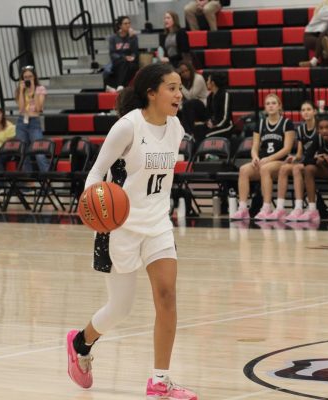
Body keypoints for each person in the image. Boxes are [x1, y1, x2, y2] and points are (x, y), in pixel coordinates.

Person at [65, 63, 197, 400]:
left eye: (180, 87)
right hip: (119, 228)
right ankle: (81, 341)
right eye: (171, 87)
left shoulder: (176, 128)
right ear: (151, 92)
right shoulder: (127, 127)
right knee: (120, 309)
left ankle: (160, 381)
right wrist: (95, 207)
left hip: (157, 225)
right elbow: (95, 175)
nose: (179, 94)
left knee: (167, 296)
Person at [229, 94, 295, 220]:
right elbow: (255, 146)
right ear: (265, 107)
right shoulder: (260, 124)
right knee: (243, 170)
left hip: (281, 162)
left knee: (265, 169)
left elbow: (287, 148)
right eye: (268, 103)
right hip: (264, 161)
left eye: (273, 103)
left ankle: (267, 207)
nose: (271, 106)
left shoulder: (287, 123)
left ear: (279, 106)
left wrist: (269, 159)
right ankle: (243, 208)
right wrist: (255, 157)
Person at [277, 101, 318, 221]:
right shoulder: (300, 129)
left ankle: (299, 206)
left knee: (296, 168)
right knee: (284, 168)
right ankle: (280, 208)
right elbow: (300, 154)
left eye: (308, 109)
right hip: (305, 161)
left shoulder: (321, 126)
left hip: (318, 162)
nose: (306, 112)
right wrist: (293, 158)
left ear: (314, 111)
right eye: (303, 110)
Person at [14, 66, 50, 172]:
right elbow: (21, 109)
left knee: (39, 152)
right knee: (23, 153)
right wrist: (21, 91)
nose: (28, 79)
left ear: (34, 77)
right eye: (25, 77)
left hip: (34, 122)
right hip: (22, 122)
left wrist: (33, 90)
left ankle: (47, 179)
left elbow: (38, 109)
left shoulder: (40, 89)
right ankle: (29, 184)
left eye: (30, 76)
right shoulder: (20, 90)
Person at [104, 16, 139, 92]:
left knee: (130, 65)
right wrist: (123, 57)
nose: (128, 25)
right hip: (118, 61)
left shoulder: (133, 37)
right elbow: (112, 53)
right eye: (125, 23)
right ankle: (120, 86)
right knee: (110, 68)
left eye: (129, 23)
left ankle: (117, 86)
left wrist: (131, 38)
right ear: (120, 25)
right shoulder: (113, 38)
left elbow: (135, 51)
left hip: (130, 62)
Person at [177, 61, 208, 135]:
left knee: (188, 104)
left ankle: (189, 133)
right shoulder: (183, 81)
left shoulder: (198, 78)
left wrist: (180, 85)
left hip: (202, 106)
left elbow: (191, 96)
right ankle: (184, 133)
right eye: (182, 72)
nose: (185, 73)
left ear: (190, 69)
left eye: (186, 70)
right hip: (188, 107)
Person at [202, 72, 233, 143]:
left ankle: (209, 153)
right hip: (214, 125)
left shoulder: (225, 94)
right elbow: (208, 114)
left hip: (226, 126)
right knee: (198, 132)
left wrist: (215, 126)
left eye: (208, 80)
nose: (206, 82)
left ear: (213, 83)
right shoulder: (209, 97)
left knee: (207, 135)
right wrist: (208, 122)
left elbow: (225, 118)